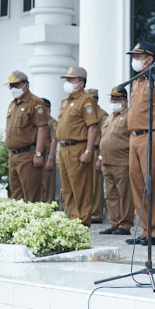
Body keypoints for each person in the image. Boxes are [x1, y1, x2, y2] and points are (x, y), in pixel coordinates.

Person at [125, 42, 155, 246]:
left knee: (152, 183)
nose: (135, 60)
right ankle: (145, 229)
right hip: (134, 138)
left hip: (150, 136)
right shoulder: (137, 80)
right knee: (137, 185)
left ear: (150, 58)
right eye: (134, 56)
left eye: (139, 56)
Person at [56, 67, 98, 226]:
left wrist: (88, 150)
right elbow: (63, 129)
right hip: (65, 149)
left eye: (71, 80)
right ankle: (73, 220)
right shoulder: (66, 102)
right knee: (67, 188)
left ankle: (82, 223)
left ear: (81, 83)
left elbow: (92, 127)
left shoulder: (86, 101)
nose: (67, 83)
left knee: (80, 188)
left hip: (78, 148)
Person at [5, 71, 49, 202]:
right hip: (14, 155)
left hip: (28, 154)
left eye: (16, 85)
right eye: (11, 86)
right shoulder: (13, 104)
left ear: (26, 85)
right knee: (15, 194)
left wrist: (39, 153)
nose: (13, 89)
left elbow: (42, 128)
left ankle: (33, 222)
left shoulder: (35, 103)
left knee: (31, 194)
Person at [97, 87, 134, 235]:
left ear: (125, 101)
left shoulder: (129, 116)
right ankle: (114, 222)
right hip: (107, 161)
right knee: (111, 194)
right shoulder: (109, 117)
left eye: (117, 99)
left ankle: (125, 224)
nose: (114, 102)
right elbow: (103, 139)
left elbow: (132, 139)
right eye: (112, 99)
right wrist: (100, 158)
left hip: (122, 162)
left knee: (124, 194)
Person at [86, 88, 109, 224]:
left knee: (96, 184)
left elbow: (103, 137)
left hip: (96, 150)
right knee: (86, 184)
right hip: (85, 150)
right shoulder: (86, 113)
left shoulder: (102, 115)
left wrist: (100, 157)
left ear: (95, 99)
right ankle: (86, 212)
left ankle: (96, 213)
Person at [41, 98, 58, 203]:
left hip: (47, 155)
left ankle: (48, 207)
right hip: (38, 155)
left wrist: (51, 158)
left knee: (48, 184)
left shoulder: (53, 123)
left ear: (47, 109)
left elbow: (54, 140)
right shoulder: (38, 123)